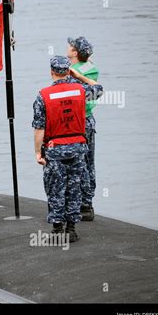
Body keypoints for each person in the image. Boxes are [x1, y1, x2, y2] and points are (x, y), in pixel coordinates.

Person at [32, 56, 103, 242]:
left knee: (56, 187)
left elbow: (39, 128)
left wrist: (38, 152)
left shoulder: (43, 95)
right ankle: (71, 229)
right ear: (68, 71)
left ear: (51, 72)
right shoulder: (80, 90)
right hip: (78, 148)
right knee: (74, 187)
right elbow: (99, 89)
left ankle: (57, 229)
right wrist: (80, 76)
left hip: (55, 149)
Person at [67, 36, 99, 220]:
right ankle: (85, 203)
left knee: (81, 163)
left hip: (79, 122)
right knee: (87, 162)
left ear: (75, 52)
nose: (68, 47)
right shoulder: (89, 68)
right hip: (86, 119)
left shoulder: (74, 73)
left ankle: (84, 204)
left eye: (71, 46)